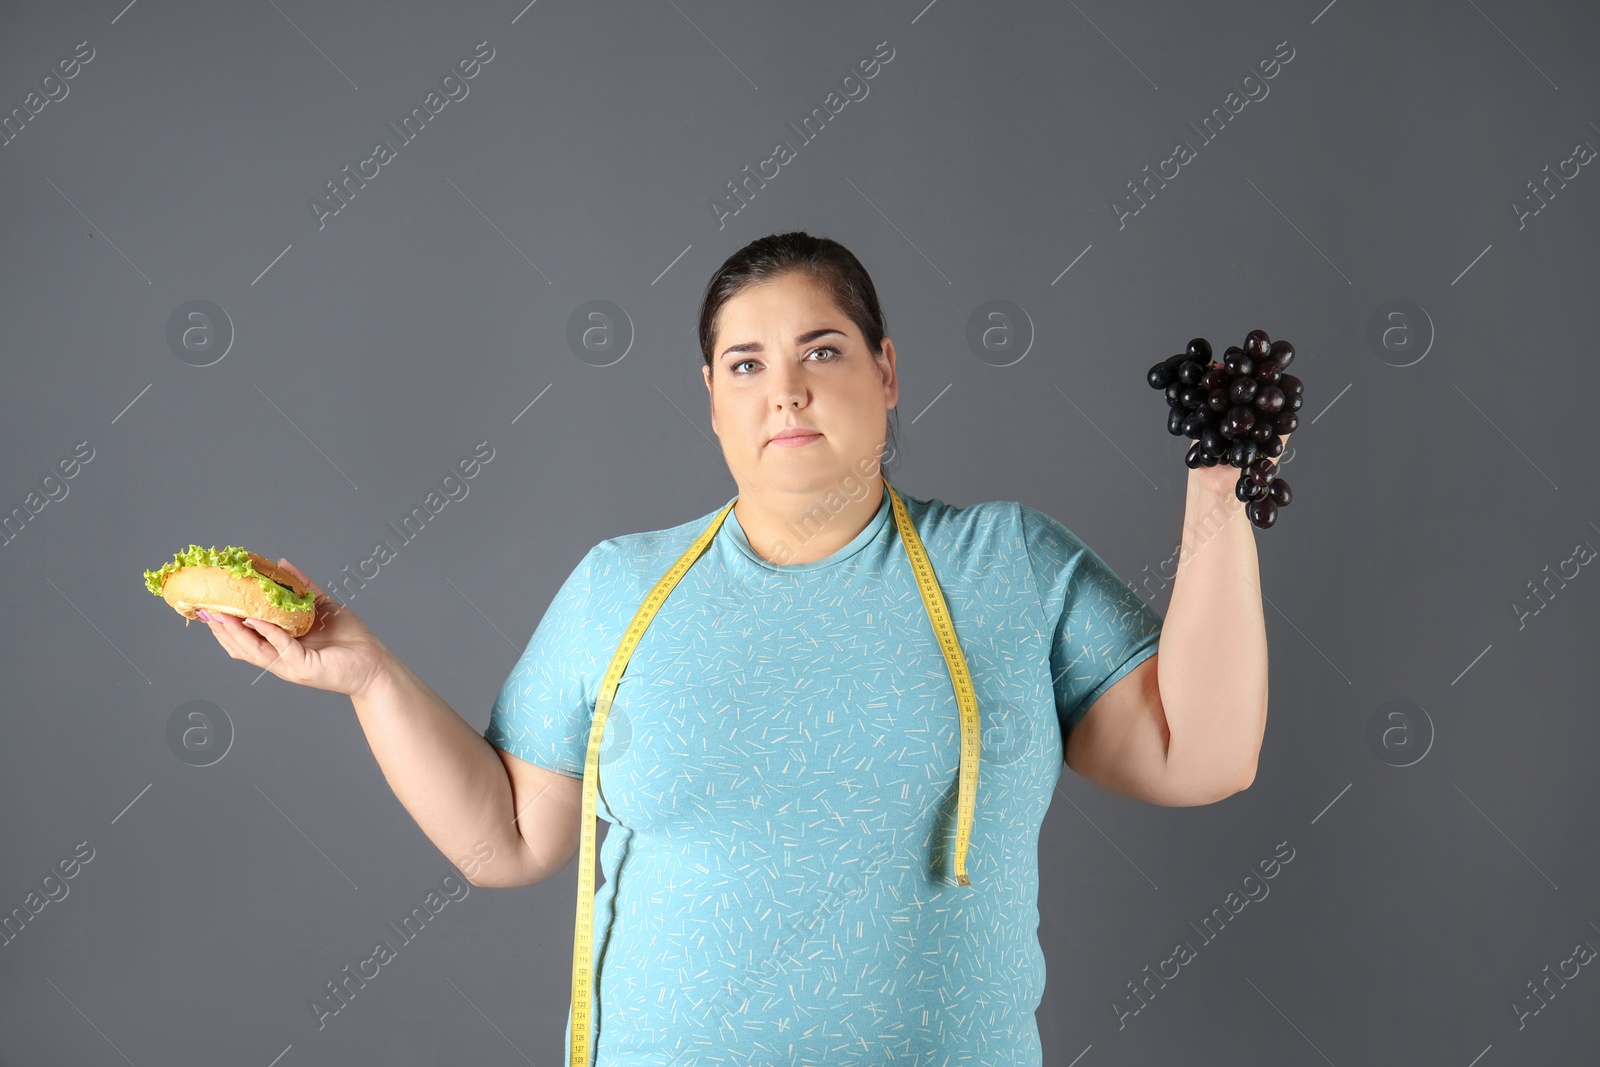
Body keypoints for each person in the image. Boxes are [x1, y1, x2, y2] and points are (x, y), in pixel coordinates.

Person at [198, 231, 1273, 1065]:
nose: (786, 389)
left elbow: (1203, 754)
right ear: (710, 396)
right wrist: (369, 674)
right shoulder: (620, 587)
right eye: (746, 362)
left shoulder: (1009, 563)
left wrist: (1218, 483)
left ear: (887, 371)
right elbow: (508, 842)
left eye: (822, 350)